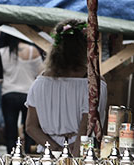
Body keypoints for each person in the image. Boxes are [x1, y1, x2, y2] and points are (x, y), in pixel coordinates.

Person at [25, 21, 107, 154]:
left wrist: (55, 148)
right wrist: (72, 150)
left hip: (47, 154)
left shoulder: (39, 83)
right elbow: (87, 126)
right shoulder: (94, 84)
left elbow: (31, 127)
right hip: (83, 153)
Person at [0, 32, 44, 151]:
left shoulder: (2, 52)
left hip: (8, 94)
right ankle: (29, 155)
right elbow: (41, 73)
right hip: (28, 95)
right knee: (29, 129)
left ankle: (12, 158)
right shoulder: (32, 51)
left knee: (10, 130)